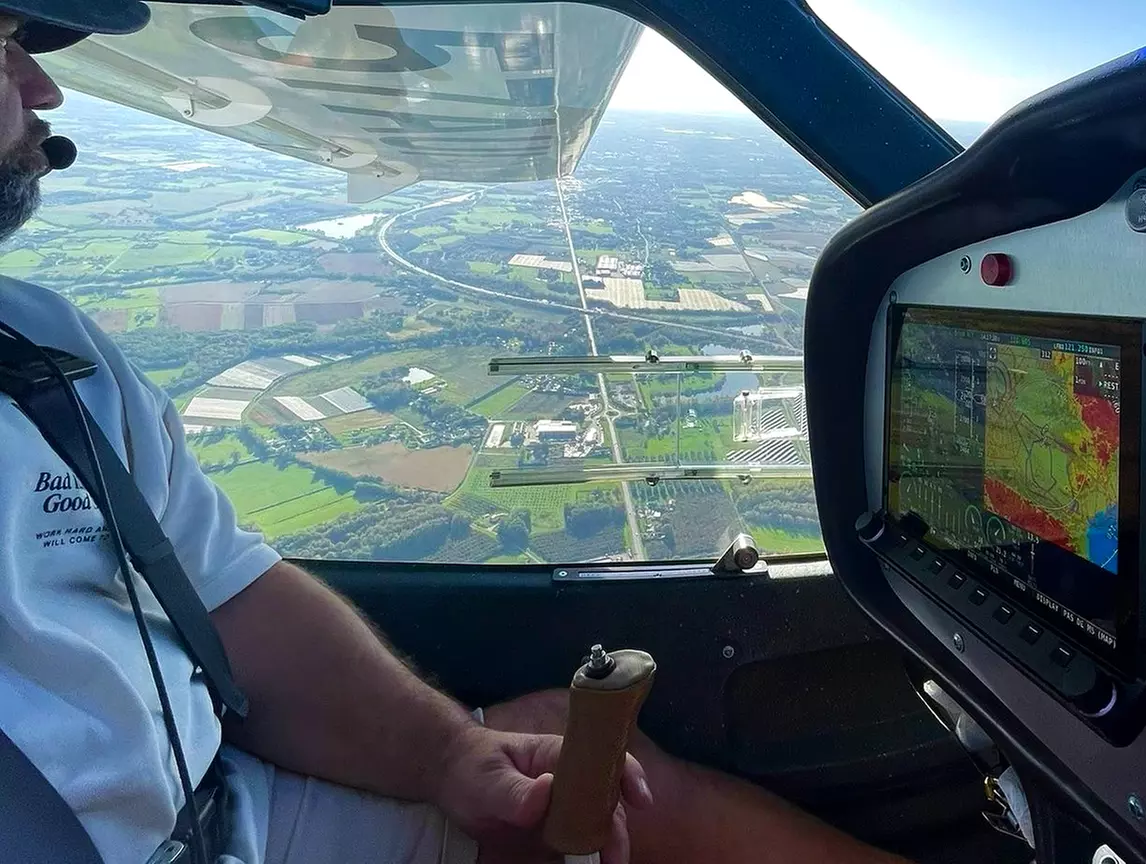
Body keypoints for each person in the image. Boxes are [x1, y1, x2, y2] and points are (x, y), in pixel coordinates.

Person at [0, 3, 915, 863]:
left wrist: (449, 757)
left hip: (230, 810)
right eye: (0, 42)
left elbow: (239, 607)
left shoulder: (47, 348)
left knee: (588, 770)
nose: (43, 89)